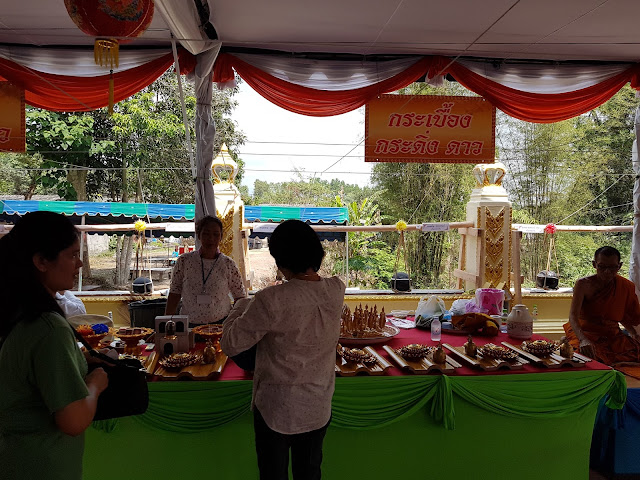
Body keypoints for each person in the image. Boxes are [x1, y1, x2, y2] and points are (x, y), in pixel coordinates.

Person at [221, 219, 346, 480]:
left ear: (281, 260)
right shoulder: (336, 289)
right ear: (316, 252)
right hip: (318, 404)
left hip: (276, 409)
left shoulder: (270, 299)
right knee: (309, 473)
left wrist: (239, 306)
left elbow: (231, 343)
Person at [0, 211, 109, 480]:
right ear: (41, 261)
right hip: (42, 464)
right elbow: (73, 421)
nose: (79, 263)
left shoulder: (15, 313)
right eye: (72, 255)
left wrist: (78, 361)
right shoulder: (49, 328)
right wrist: (95, 383)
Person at [564, 246, 640, 365]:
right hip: (586, 332)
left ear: (619, 266)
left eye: (612, 267)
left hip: (612, 335)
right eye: (602, 267)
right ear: (594, 264)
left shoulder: (625, 286)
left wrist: (634, 334)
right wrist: (583, 339)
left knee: (636, 352)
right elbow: (573, 316)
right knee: (584, 357)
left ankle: (617, 365)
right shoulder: (583, 284)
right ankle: (569, 341)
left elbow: (623, 316)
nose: (607, 272)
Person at [165, 215, 246, 325]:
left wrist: (237, 323)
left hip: (220, 325)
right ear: (199, 235)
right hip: (189, 324)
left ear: (221, 237)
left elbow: (240, 297)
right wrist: (166, 323)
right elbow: (174, 293)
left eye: (216, 234)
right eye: (206, 234)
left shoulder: (228, 264)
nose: (211, 239)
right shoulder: (184, 261)